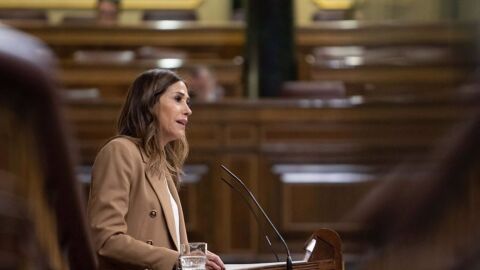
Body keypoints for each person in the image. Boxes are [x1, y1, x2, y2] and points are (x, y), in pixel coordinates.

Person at [87, 69, 225, 270]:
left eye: (188, 101)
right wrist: (177, 260)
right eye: (178, 99)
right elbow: (106, 240)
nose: (188, 110)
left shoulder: (160, 163)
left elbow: (167, 244)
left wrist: (192, 257)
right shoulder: (120, 151)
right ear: (150, 104)